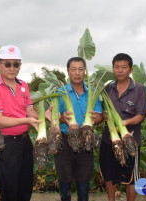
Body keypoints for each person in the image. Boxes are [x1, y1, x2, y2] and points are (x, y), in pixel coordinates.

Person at [0, 45, 40, 201]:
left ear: (20, 65)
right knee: (9, 188)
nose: (12, 68)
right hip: (6, 144)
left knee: (25, 185)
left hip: (25, 141)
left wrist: (43, 116)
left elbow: (29, 111)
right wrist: (27, 120)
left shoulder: (23, 85)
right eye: (7, 64)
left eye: (16, 64)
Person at [99, 53, 146, 201]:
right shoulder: (107, 89)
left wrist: (124, 124)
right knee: (109, 174)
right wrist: (105, 116)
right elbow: (102, 112)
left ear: (131, 69)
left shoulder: (140, 89)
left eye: (124, 67)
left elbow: (141, 115)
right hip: (109, 139)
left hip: (130, 140)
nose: (120, 70)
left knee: (131, 178)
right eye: (117, 67)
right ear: (113, 68)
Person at [54, 57, 103, 201]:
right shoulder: (60, 92)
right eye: (73, 69)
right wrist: (62, 118)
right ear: (68, 71)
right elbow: (54, 117)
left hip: (86, 138)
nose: (77, 73)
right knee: (64, 176)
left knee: (84, 176)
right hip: (64, 139)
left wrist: (96, 118)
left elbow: (99, 117)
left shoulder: (93, 92)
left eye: (80, 69)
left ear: (85, 72)